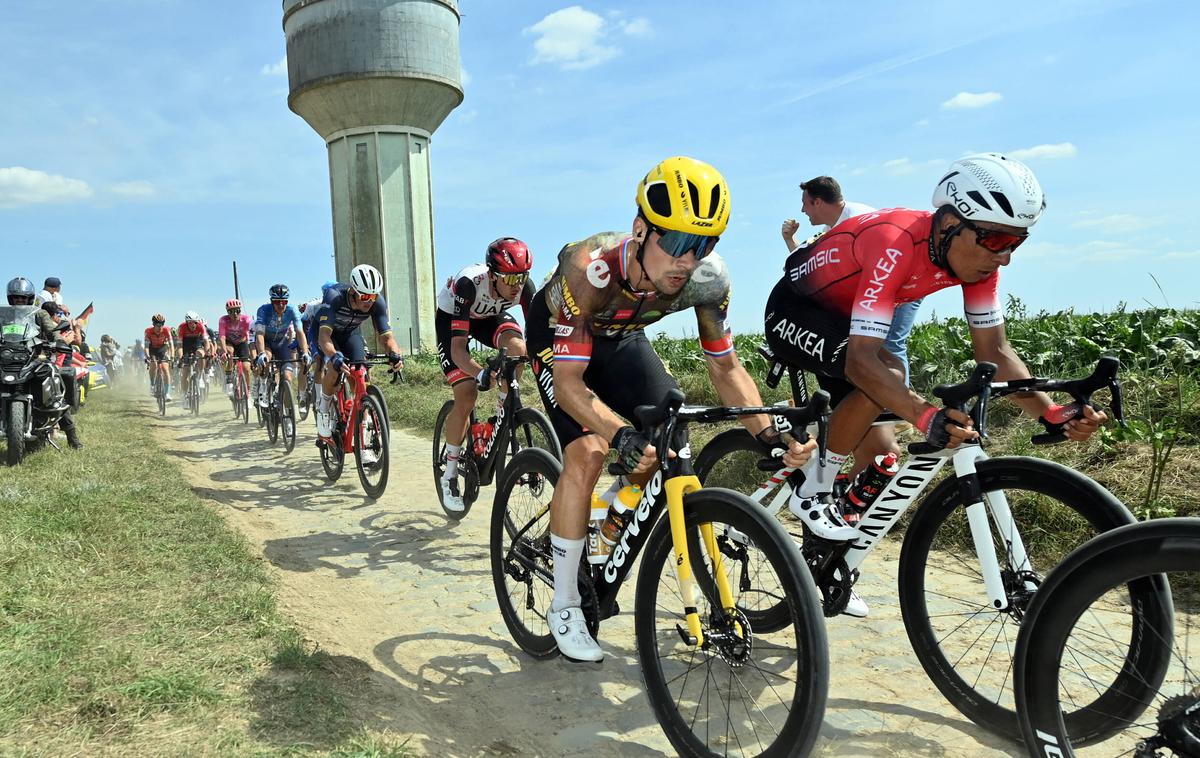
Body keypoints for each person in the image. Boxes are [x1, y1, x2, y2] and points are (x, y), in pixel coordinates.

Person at [763, 152, 1107, 618]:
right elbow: (865, 362)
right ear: (948, 223)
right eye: (996, 238)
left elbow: (996, 353)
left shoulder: (981, 262)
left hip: (846, 318)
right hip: (795, 310)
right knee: (885, 373)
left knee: (879, 444)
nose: (1004, 255)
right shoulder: (895, 239)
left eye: (1017, 242)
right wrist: (927, 416)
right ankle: (814, 490)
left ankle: (822, 564)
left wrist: (1051, 412)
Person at [525, 156, 817, 662]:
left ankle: (612, 515)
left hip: (620, 339)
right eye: (679, 242)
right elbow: (571, 385)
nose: (689, 260)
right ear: (640, 230)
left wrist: (769, 434)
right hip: (560, 340)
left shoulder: (708, 280)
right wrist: (620, 435)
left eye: (704, 245)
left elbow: (726, 368)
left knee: (672, 434)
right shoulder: (587, 269)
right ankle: (566, 600)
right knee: (590, 453)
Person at [434, 238, 536, 512]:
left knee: (519, 348)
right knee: (466, 395)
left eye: (522, 277)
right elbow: (457, 350)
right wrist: (480, 374)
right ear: (492, 274)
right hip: (453, 321)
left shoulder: (523, 287)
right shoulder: (468, 284)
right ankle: (450, 475)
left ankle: (502, 414)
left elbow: (538, 333)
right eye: (510, 279)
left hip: (490, 318)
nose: (517, 286)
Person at [313, 265, 404, 440]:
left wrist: (395, 354)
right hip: (326, 334)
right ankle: (323, 410)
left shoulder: (377, 303)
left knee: (360, 374)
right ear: (354, 291)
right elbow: (324, 338)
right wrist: (334, 356)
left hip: (350, 333)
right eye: (365, 296)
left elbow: (387, 337)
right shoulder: (334, 297)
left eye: (373, 296)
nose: (369, 301)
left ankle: (364, 432)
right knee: (334, 367)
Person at [8, 280, 84, 449]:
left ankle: (72, 437)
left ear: (29, 298)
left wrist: (58, 341)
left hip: (35, 357)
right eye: (16, 298)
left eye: (23, 297)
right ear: (10, 298)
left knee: (55, 389)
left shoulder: (39, 314)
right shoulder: (4, 316)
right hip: (8, 358)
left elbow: (52, 330)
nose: (19, 301)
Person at [253, 285, 309, 409]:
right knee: (266, 358)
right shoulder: (263, 310)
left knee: (288, 377)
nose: (281, 305)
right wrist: (261, 352)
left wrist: (305, 352)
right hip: (267, 343)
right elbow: (260, 334)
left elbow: (300, 332)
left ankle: (288, 414)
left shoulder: (292, 310)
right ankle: (263, 385)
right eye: (277, 302)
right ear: (272, 301)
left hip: (281, 343)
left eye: (284, 301)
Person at [218, 299, 254, 398]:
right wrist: (224, 352)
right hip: (229, 343)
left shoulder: (247, 320)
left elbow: (250, 336)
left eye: (237, 311)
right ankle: (229, 378)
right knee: (230, 352)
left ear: (240, 311)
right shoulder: (223, 320)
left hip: (242, 343)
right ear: (227, 312)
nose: (234, 314)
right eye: (231, 311)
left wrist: (253, 352)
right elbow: (222, 337)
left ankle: (248, 393)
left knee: (246, 368)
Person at [176, 311, 211, 402]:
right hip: (186, 344)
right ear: (187, 322)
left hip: (197, 342)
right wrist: (181, 357)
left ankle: (200, 377)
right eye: (190, 322)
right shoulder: (182, 327)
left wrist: (207, 352)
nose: (193, 325)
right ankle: (184, 395)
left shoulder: (201, 326)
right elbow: (179, 346)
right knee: (185, 372)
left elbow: (206, 342)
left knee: (201, 354)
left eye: (195, 322)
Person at [144, 313, 175, 400]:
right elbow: (146, 347)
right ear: (153, 324)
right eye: (157, 325)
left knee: (165, 369)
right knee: (153, 364)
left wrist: (172, 357)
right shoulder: (148, 331)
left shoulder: (167, 330)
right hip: (152, 349)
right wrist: (147, 357)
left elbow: (171, 345)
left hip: (162, 348)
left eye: (161, 325)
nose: (160, 327)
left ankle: (167, 393)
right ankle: (152, 385)